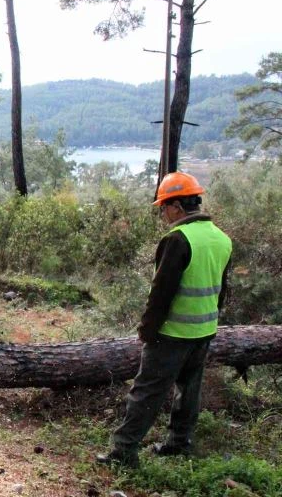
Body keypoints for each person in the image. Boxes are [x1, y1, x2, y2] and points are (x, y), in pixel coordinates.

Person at [96, 172, 232, 468]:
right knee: (189, 391)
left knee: (146, 392)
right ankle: (178, 443)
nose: (162, 214)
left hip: (172, 333)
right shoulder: (221, 238)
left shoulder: (177, 239)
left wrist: (147, 330)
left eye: (163, 208)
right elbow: (221, 290)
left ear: (176, 206)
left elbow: (161, 293)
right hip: (204, 331)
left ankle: (123, 452)